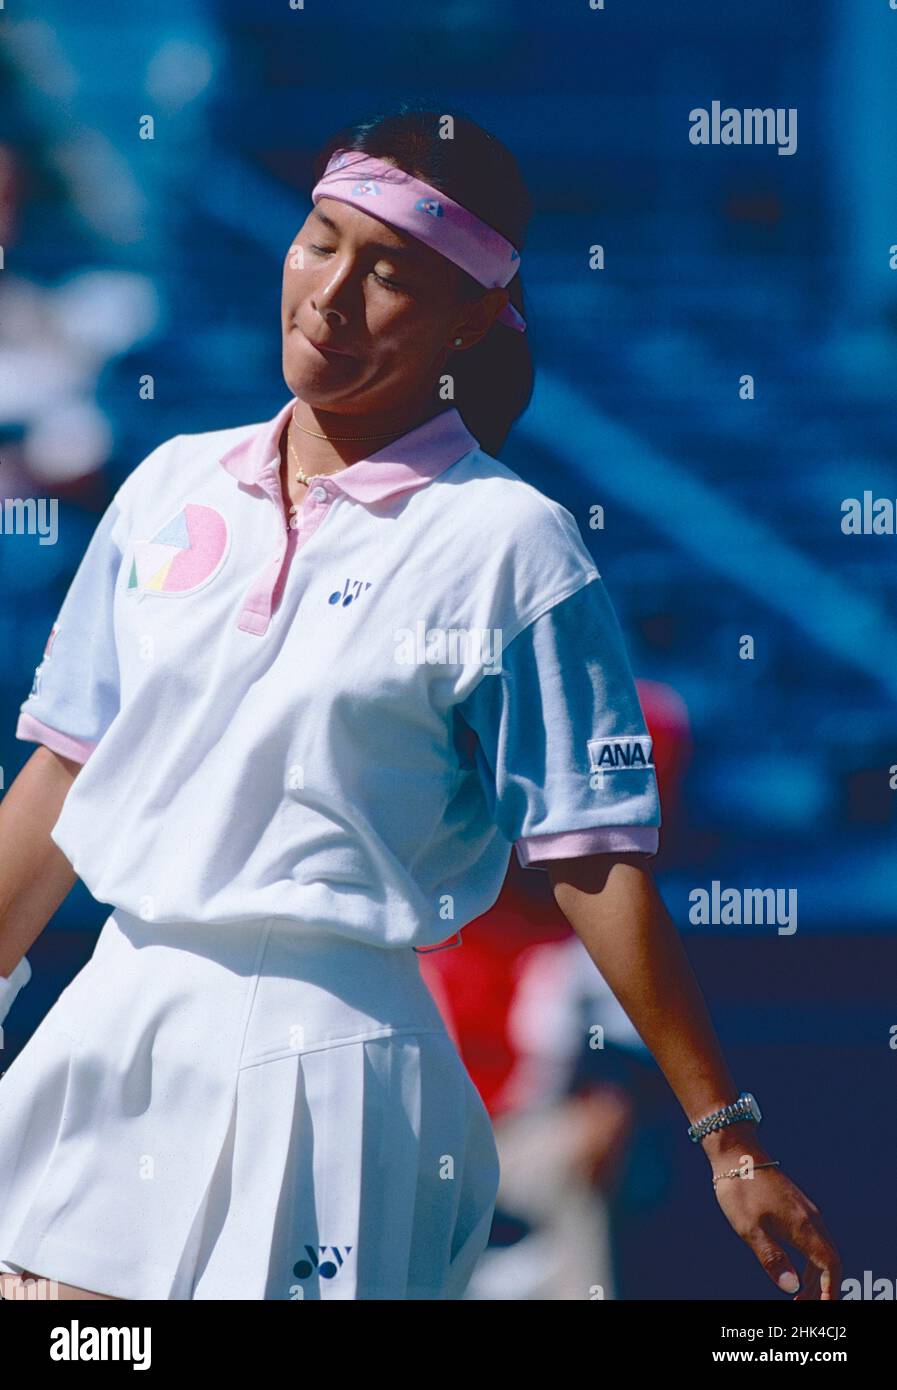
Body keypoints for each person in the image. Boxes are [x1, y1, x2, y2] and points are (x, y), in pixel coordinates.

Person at [0, 104, 840, 1302]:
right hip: (105, 1033)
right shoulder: (166, 484)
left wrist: (728, 1137)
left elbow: (592, 859)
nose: (332, 294)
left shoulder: (516, 543)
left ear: (473, 318)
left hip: (332, 1075)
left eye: (388, 269)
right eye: (320, 240)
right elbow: (62, 772)